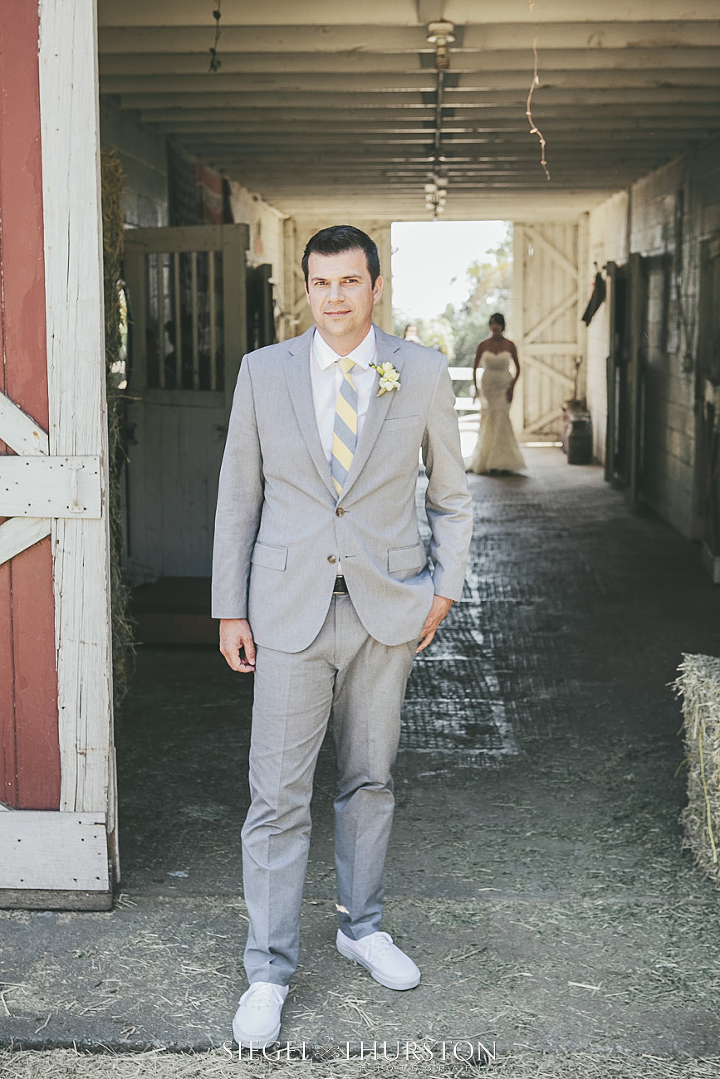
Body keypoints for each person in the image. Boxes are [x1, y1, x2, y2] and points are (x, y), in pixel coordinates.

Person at [212, 225, 473, 1049]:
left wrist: (445, 587)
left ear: (376, 286)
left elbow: (453, 498)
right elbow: (237, 498)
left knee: (370, 777)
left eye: (349, 282)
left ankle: (362, 927)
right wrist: (230, 606)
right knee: (276, 795)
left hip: (386, 607)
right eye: (320, 282)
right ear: (307, 287)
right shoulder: (263, 373)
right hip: (287, 609)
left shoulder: (422, 370)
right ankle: (268, 969)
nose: (334, 297)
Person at [466, 313, 526, 475]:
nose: (495, 327)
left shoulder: (510, 345)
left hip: (504, 386)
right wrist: (476, 388)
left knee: (502, 419)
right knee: (488, 420)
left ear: (502, 326)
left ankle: (503, 462)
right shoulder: (483, 345)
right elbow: (474, 367)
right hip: (488, 387)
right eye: (492, 323)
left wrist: (512, 387)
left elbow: (518, 368)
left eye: (498, 323)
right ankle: (487, 461)